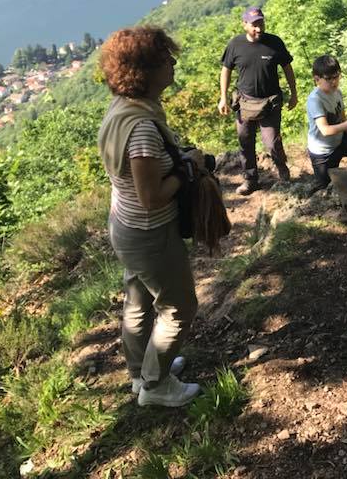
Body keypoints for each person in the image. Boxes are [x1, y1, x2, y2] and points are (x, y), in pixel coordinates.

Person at [97, 26, 202, 407]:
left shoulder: (122, 109)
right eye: (165, 60)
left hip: (124, 226)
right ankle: (156, 387)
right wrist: (188, 168)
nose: (173, 63)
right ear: (146, 71)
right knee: (179, 307)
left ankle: (141, 372)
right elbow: (152, 197)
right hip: (149, 232)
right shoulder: (141, 126)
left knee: (138, 301)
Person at [218, 6, 298, 195]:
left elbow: (287, 68)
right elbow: (225, 70)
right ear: (244, 24)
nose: (258, 28)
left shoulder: (274, 42)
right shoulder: (235, 44)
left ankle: (283, 172)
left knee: (271, 142)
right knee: (245, 141)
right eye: (254, 25)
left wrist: (293, 93)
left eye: (261, 23)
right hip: (244, 102)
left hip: (270, 102)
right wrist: (223, 98)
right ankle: (250, 180)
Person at [306, 55, 347, 193]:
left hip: (340, 140)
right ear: (317, 79)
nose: (334, 82)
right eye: (328, 78)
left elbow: (342, 118)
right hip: (322, 152)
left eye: (336, 77)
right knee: (324, 187)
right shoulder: (315, 100)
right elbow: (325, 130)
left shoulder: (337, 92)